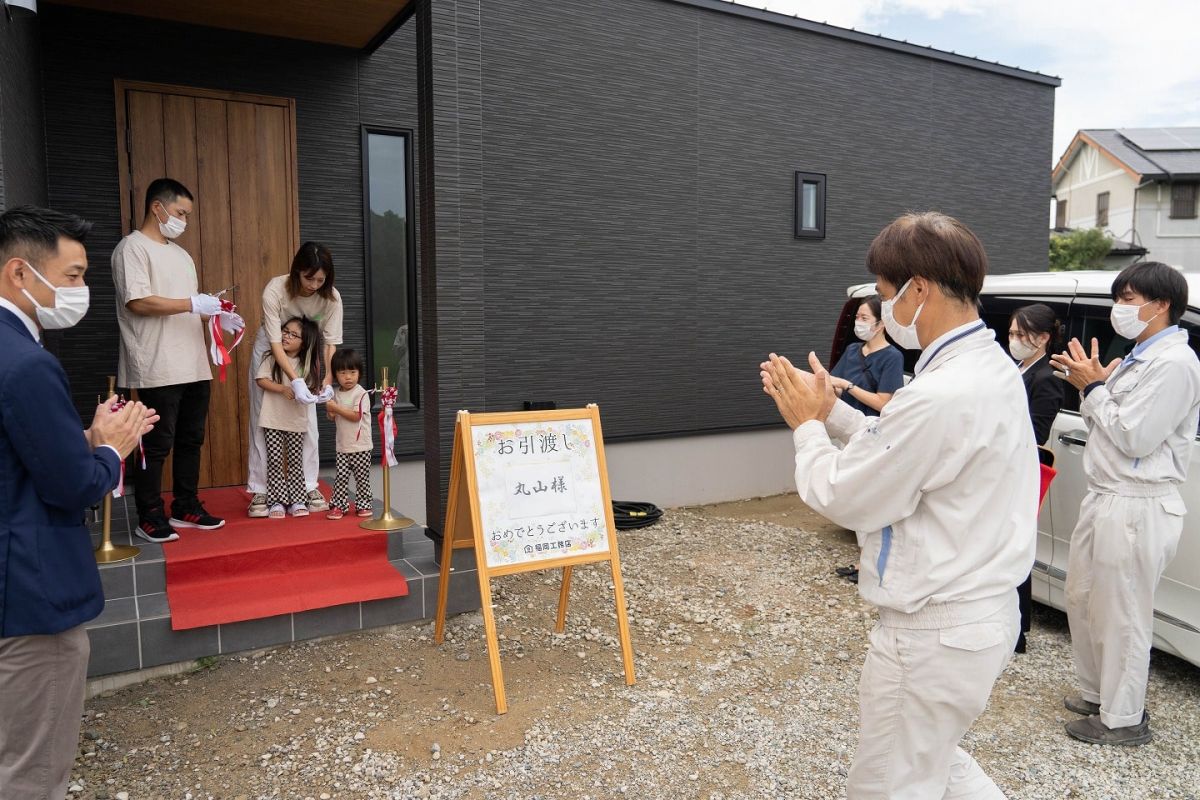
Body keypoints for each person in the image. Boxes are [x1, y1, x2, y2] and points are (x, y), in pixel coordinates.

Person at [761, 211, 1037, 798]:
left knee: (889, 782)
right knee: (935, 760)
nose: (883, 311)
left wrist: (808, 427)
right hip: (979, 614)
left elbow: (846, 493)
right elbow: (900, 449)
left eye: (885, 296)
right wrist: (832, 413)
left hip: (933, 630)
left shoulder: (942, 392)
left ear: (919, 289)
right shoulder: (988, 367)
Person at [0, 205, 157, 798]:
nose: (81, 291)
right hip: (32, 596)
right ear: (20, 273)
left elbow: (21, 459)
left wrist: (86, 439)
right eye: (71, 276)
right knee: (33, 769)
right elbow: (72, 486)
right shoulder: (27, 364)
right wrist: (112, 450)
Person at [1049, 261, 1200, 746]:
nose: (1121, 308)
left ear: (1162, 306)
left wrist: (1092, 389)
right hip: (1108, 498)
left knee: (1124, 614)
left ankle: (1123, 718)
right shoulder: (1139, 356)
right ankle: (1098, 693)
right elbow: (1106, 427)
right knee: (1085, 598)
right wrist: (1095, 388)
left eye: (1130, 299)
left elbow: (1134, 436)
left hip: (1138, 504)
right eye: (1120, 297)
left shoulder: (1176, 363)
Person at [112, 178, 240, 543]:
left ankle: (185, 504)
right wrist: (192, 303)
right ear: (158, 207)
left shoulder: (182, 255)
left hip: (193, 362)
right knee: (156, 443)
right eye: (180, 212)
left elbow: (186, 307)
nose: (183, 220)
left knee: (191, 438)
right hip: (155, 364)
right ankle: (149, 514)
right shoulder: (131, 249)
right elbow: (138, 302)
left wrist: (215, 315)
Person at [246, 243, 344, 517]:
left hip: (308, 353)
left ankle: (309, 485)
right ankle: (261, 489)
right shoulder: (276, 289)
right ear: (296, 272)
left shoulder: (331, 298)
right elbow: (276, 342)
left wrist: (326, 378)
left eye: (320, 280)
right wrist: (294, 379)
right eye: (308, 278)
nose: (314, 284)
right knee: (262, 417)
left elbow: (331, 343)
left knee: (307, 419)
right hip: (272, 348)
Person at [827, 294, 904, 584]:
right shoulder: (851, 351)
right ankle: (863, 561)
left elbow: (884, 402)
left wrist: (848, 386)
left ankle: (870, 565)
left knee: (869, 498)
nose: (858, 324)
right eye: (856, 318)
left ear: (881, 324)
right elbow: (835, 386)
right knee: (855, 498)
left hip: (873, 432)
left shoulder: (892, 357)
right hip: (846, 430)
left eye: (864, 319)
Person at [1007, 303, 1065, 653]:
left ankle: (1018, 627)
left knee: (1016, 541)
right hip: (1004, 466)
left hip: (1021, 468)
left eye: (1022, 335)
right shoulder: (1017, 365)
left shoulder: (1046, 378)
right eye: (1012, 333)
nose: (1014, 340)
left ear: (1043, 338)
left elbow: (1037, 431)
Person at [255, 317, 325, 518]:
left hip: (296, 421)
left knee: (295, 460)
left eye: (293, 334)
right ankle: (277, 501)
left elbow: (312, 388)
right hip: (272, 419)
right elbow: (261, 380)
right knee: (275, 460)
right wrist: (282, 388)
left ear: (305, 343)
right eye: (285, 331)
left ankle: (297, 500)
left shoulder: (308, 363)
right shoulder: (271, 357)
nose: (286, 336)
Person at [323, 348, 374, 520]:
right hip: (343, 446)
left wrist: (335, 408)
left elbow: (355, 416)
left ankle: (363, 505)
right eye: (343, 372)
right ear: (336, 375)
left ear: (359, 373)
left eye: (352, 372)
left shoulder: (361, 393)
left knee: (362, 478)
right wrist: (329, 408)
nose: (348, 377)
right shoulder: (336, 394)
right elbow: (331, 417)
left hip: (361, 445)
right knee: (341, 478)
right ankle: (339, 505)